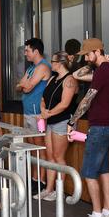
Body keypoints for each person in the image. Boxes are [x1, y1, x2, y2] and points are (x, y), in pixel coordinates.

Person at [66, 38, 109, 217]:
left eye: (88, 54)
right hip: (106, 126)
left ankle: (97, 215)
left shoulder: (104, 71)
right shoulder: (105, 70)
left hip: (100, 128)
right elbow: (76, 74)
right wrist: (96, 62)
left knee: (88, 172)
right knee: (102, 170)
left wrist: (72, 122)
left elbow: (87, 99)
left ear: (97, 51)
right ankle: (107, 212)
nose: (86, 58)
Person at [34, 51, 78, 202]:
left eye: (52, 61)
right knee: (50, 157)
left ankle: (59, 191)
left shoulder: (69, 80)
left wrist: (48, 114)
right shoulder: (52, 78)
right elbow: (43, 97)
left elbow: (65, 104)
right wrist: (43, 110)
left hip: (61, 121)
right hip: (50, 121)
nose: (50, 64)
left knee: (59, 157)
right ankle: (49, 189)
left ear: (60, 63)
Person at [16, 38, 52, 188]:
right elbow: (18, 87)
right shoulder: (31, 68)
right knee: (31, 148)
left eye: (27, 50)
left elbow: (28, 87)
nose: (25, 54)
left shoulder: (43, 67)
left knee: (39, 147)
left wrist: (25, 84)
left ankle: (40, 181)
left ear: (36, 51)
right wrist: (24, 84)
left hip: (38, 114)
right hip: (28, 112)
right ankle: (34, 178)